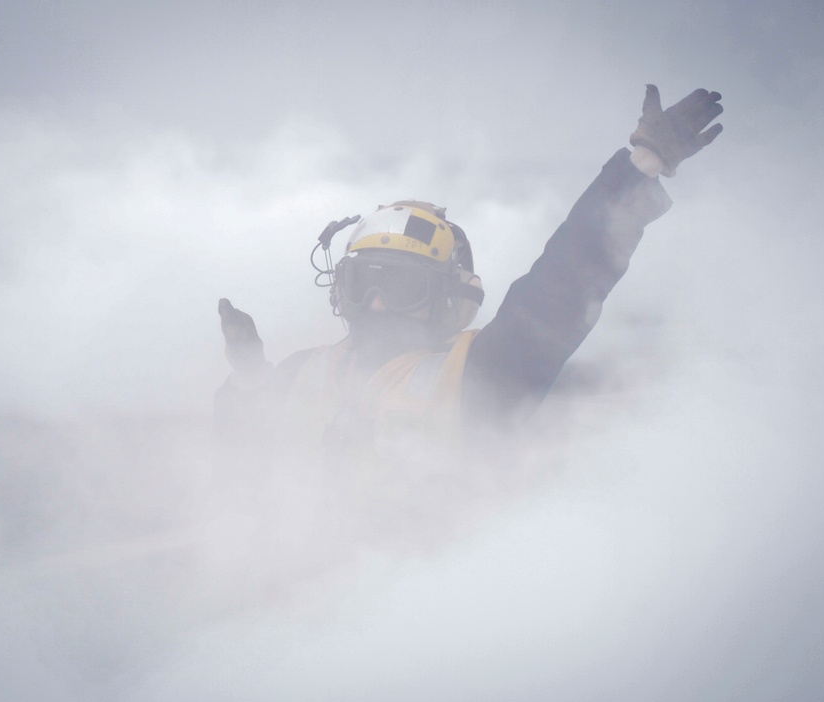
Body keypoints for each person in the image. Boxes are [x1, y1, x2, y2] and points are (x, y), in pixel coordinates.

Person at [214, 85, 723, 465]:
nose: (374, 303)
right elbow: (247, 447)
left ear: (445, 299)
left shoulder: (485, 373)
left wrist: (642, 166)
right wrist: (250, 379)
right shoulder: (303, 372)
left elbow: (565, 280)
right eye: (361, 282)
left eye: (400, 287)